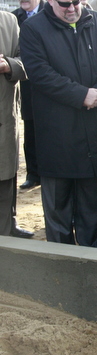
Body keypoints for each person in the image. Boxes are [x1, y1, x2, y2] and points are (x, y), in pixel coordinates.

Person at [19, 0, 97, 247]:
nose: (72, 8)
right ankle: (63, 265)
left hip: (96, 134)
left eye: (76, 1)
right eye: (65, 4)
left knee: (93, 209)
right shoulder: (33, 30)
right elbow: (40, 74)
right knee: (59, 210)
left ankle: (92, 260)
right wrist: (81, 95)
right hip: (58, 137)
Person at [12, 0, 43, 193]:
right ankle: (33, 174)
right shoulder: (14, 19)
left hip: (51, 82)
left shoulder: (50, 14)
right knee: (30, 129)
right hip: (27, 84)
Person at [0, 12, 27, 236]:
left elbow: (26, 60)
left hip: (3, 119)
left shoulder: (8, 21)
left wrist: (9, 65)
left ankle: (7, 229)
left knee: (5, 176)